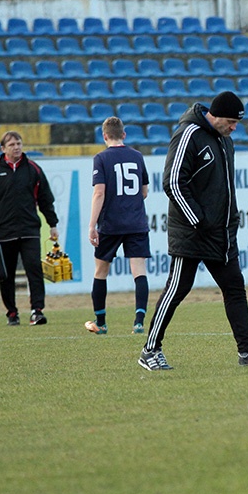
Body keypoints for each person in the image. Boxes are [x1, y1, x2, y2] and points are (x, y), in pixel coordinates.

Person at [138, 92, 248, 370]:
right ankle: (149, 351)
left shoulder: (224, 140)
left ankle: (247, 351)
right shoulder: (188, 134)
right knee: (177, 289)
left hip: (222, 233)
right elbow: (173, 183)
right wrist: (199, 221)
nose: (233, 128)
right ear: (214, 116)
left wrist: (229, 222)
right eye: (230, 121)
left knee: (235, 288)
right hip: (193, 232)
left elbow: (224, 188)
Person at [0, 131, 59, 326]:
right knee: (7, 275)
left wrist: (53, 224)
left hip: (30, 230)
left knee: (34, 270)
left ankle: (37, 311)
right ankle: (12, 312)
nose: (17, 147)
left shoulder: (33, 169)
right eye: (12, 144)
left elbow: (46, 199)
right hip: (4, 232)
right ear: (3, 149)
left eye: (19, 143)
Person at [85, 116, 151, 335]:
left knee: (101, 271)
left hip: (111, 224)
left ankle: (101, 323)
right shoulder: (137, 156)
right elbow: (143, 192)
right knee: (139, 271)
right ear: (124, 134)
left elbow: (99, 192)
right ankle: (139, 321)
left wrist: (92, 225)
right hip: (136, 222)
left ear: (104, 136)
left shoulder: (101, 158)